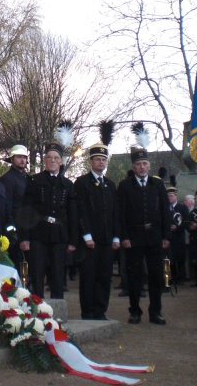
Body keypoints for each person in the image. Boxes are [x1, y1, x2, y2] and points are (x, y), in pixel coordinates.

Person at [118, 127, 170, 325]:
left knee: (156, 276)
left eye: (145, 163)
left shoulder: (158, 186)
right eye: (138, 164)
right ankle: (135, 311)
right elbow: (121, 214)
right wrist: (124, 237)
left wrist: (166, 235)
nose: (141, 167)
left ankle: (155, 311)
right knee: (134, 276)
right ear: (134, 166)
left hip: (155, 237)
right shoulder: (125, 186)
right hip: (134, 237)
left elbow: (165, 212)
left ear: (150, 166)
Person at [20, 141, 77, 298]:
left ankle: (56, 311)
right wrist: (25, 238)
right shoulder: (34, 181)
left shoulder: (67, 184)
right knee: (37, 274)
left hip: (59, 236)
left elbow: (72, 214)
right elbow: (26, 211)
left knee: (58, 274)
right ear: (44, 160)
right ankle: (38, 310)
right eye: (49, 157)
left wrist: (73, 240)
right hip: (38, 234)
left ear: (61, 161)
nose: (52, 160)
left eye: (56, 158)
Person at [74, 136, 120, 320]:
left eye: (103, 159)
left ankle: (101, 310)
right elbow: (81, 211)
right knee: (88, 277)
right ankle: (88, 311)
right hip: (89, 240)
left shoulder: (110, 185)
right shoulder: (82, 183)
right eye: (98, 159)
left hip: (107, 239)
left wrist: (116, 236)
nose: (101, 162)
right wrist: (86, 235)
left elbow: (115, 212)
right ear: (91, 161)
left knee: (104, 276)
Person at [0, 144, 30, 269]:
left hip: (28, 225)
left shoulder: (28, 178)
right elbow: (7, 205)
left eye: (24, 157)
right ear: (12, 159)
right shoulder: (6, 179)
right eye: (19, 157)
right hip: (15, 227)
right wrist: (11, 228)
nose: (22, 160)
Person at [167, 186, 189, 284]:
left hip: (179, 237)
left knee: (179, 258)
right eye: (168, 196)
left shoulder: (182, 207)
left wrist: (178, 227)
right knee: (168, 259)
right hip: (168, 237)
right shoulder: (165, 208)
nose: (170, 198)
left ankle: (180, 277)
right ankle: (169, 278)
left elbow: (186, 222)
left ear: (175, 196)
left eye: (171, 196)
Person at [187, 191, 197, 286]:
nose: (195, 200)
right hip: (194, 239)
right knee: (195, 260)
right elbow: (188, 225)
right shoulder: (192, 212)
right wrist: (191, 226)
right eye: (195, 198)